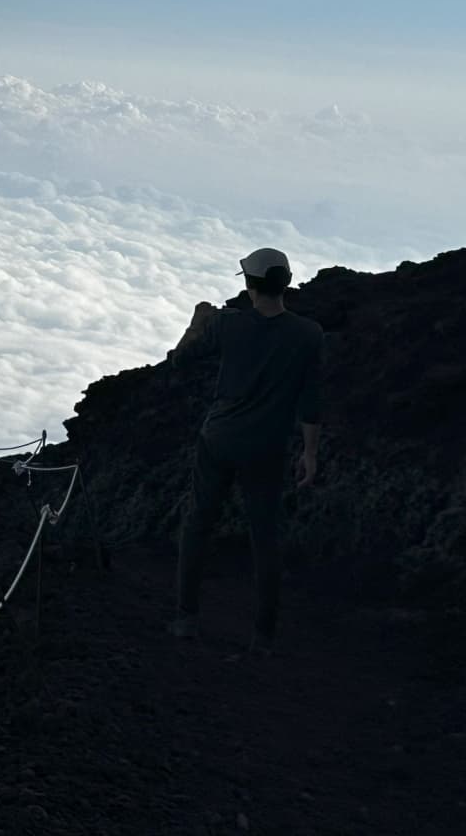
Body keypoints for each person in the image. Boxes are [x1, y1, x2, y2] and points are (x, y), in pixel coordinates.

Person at [168, 247, 324, 655]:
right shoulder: (308, 334)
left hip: (218, 440)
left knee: (198, 524)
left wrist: (195, 323)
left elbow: (179, 362)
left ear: (250, 286)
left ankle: (185, 619)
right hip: (268, 448)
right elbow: (311, 399)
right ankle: (264, 636)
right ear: (286, 282)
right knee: (265, 538)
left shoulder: (226, 325)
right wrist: (310, 453)